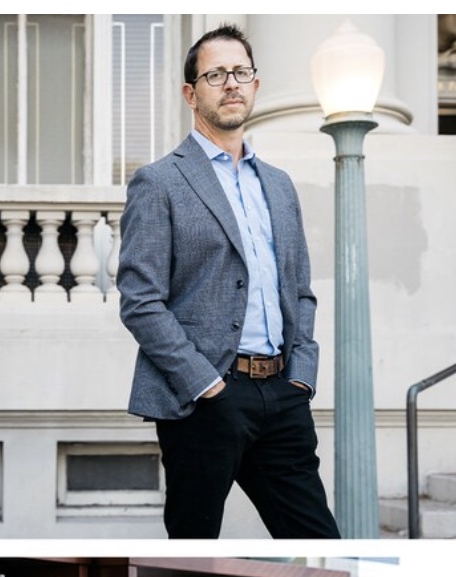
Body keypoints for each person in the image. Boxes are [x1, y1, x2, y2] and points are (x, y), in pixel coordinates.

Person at [119, 24, 341, 540]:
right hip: (206, 399)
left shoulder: (280, 186)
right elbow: (140, 301)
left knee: (318, 538)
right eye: (216, 74)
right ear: (191, 94)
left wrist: (302, 375)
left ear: (256, 85)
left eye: (241, 72)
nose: (232, 84)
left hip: (283, 395)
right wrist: (206, 384)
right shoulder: (160, 182)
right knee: (193, 543)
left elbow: (300, 289)